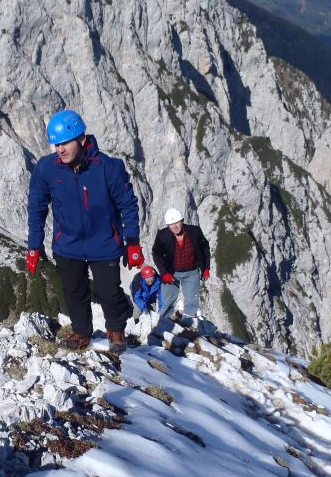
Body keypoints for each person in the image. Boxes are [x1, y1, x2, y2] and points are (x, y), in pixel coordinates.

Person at [26, 109, 144, 353]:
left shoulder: (108, 168)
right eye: (56, 144)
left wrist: (132, 241)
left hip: (105, 243)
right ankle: (81, 333)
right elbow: (37, 208)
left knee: (109, 291)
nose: (60, 149)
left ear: (82, 139)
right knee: (74, 291)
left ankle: (116, 330)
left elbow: (128, 204)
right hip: (67, 244)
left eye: (65, 142)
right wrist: (34, 245)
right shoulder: (47, 169)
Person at [152, 208, 210, 321]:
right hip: (171, 273)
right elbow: (156, 254)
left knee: (192, 300)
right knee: (167, 299)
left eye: (177, 222)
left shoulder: (195, 231)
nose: (175, 226)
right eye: (171, 224)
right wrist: (164, 273)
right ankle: (164, 323)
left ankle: (189, 324)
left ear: (182, 221)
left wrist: (206, 268)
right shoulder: (162, 236)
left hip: (192, 272)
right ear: (168, 225)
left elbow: (205, 248)